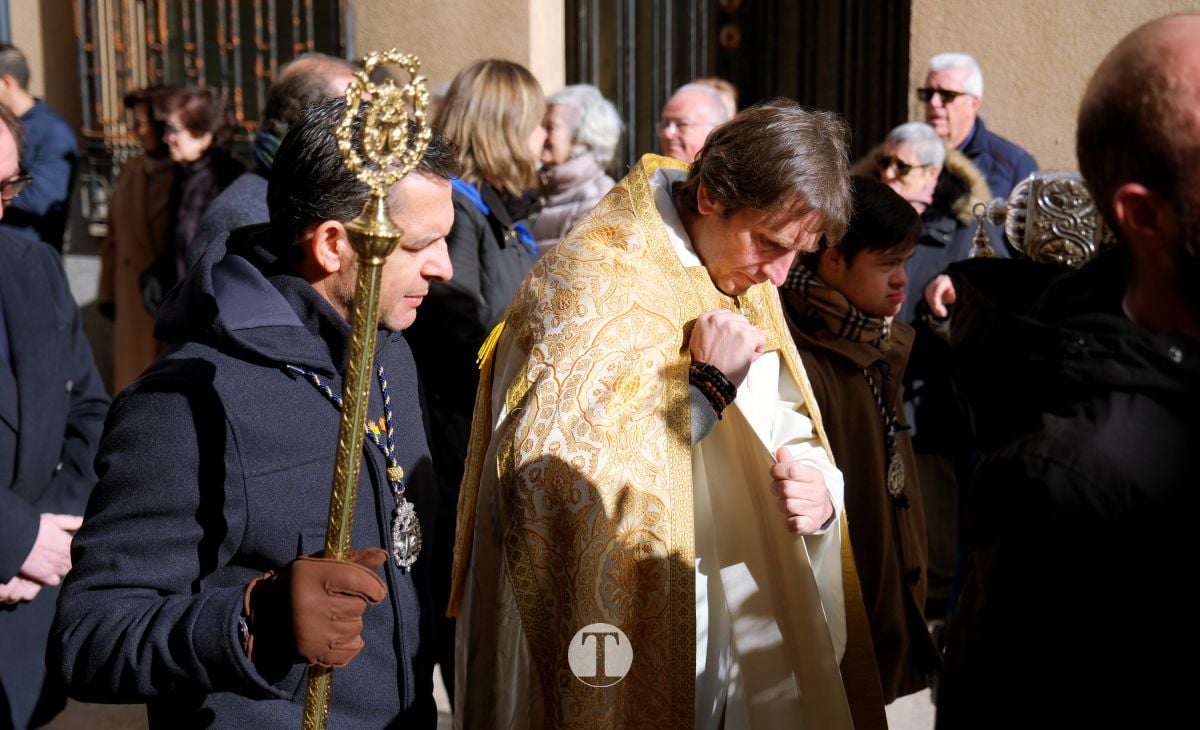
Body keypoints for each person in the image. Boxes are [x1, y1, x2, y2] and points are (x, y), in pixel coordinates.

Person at [451, 99, 886, 729]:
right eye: (770, 244)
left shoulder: (745, 267)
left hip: (734, 619)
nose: (779, 275)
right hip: (631, 626)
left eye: (800, 252)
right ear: (709, 196)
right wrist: (704, 390)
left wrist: (820, 488)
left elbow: (789, 416)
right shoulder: (596, 279)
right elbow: (553, 482)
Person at [50, 97, 456, 728]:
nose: (445, 267)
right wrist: (247, 619)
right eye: (423, 244)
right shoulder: (184, 404)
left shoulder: (390, 346)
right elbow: (88, 638)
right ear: (332, 245)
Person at [930, 13, 1200, 728]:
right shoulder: (1067, 482)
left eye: (947, 93)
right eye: (930, 91)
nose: (934, 103)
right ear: (1145, 217)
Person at [403, 57, 546, 703]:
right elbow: (458, 332)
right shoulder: (457, 214)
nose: (546, 140)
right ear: (505, 128)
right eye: (537, 125)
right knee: (461, 632)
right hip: (459, 451)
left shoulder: (497, 210)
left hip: (481, 440)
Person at [780, 177, 940, 708]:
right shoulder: (805, 360)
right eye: (886, 264)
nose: (903, 281)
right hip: (841, 624)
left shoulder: (873, 337)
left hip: (883, 610)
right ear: (833, 261)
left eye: (907, 262)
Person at [0, 102, 108, 730]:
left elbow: (88, 410)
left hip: (28, 608)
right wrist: (11, 539)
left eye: (10, 184)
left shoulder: (30, 266)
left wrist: (48, 539)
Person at [187, 53, 358, 268]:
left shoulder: (326, 196)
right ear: (310, 123)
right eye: (354, 117)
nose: (367, 131)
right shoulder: (241, 213)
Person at [96, 85, 179, 392]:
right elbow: (113, 237)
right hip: (132, 303)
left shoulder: (186, 177)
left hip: (164, 305)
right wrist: (107, 293)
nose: (134, 130)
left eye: (141, 123)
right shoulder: (130, 169)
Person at [139, 86, 245, 315]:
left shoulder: (225, 179)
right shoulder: (185, 176)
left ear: (204, 135)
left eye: (174, 130)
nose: (167, 138)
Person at [920, 52, 1036, 199]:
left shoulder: (1013, 165)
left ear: (973, 103)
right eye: (928, 94)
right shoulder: (901, 158)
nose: (934, 103)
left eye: (946, 95)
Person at [0, 43, 79, 252]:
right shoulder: (5, 125)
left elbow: (40, 197)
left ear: (7, 82)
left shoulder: (53, 131)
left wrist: (5, 191)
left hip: (28, 260)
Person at [530, 83, 622, 251]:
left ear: (581, 138)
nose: (541, 134)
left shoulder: (597, 195)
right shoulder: (541, 185)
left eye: (550, 127)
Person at [657, 83, 731, 164]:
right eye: (665, 124)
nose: (667, 134)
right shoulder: (651, 174)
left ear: (716, 130)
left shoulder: (734, 175)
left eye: (681, 124)